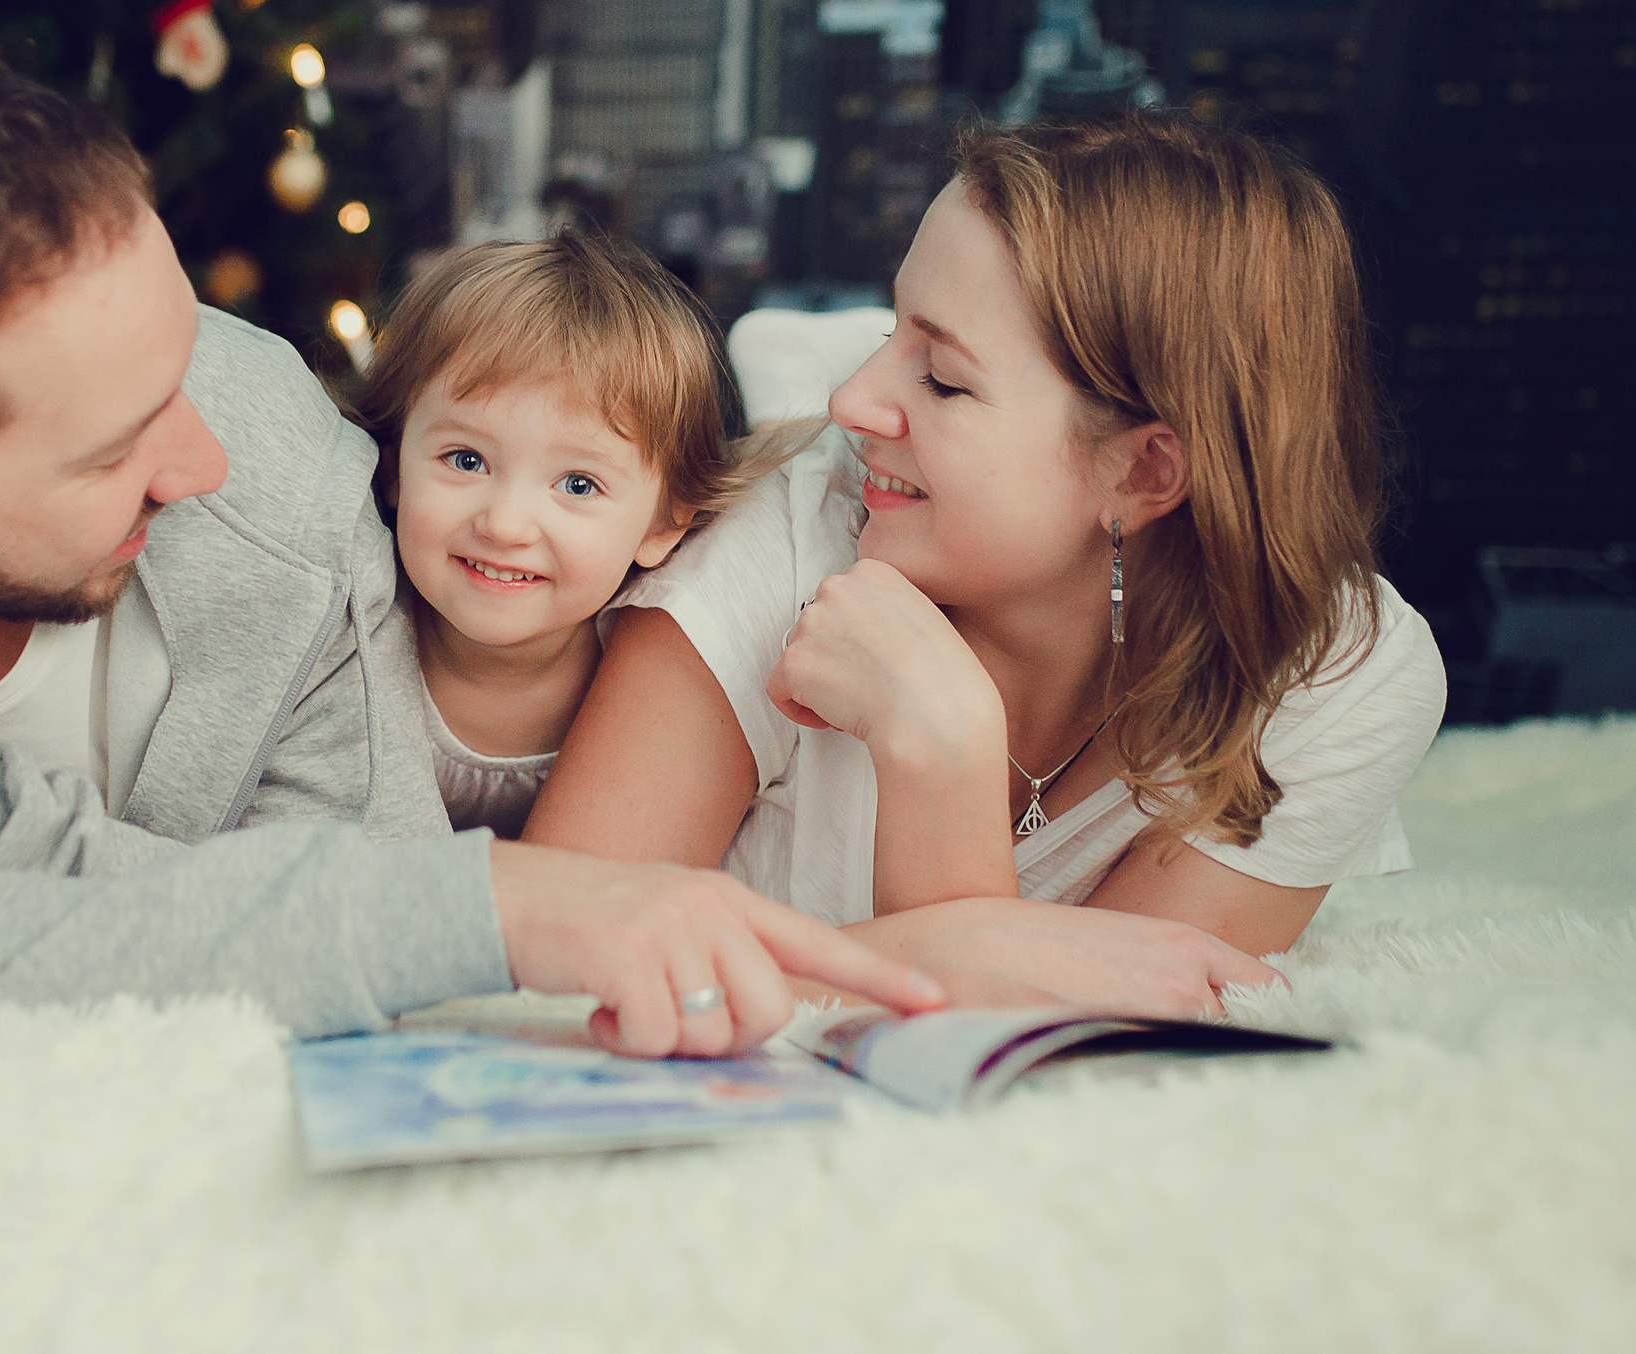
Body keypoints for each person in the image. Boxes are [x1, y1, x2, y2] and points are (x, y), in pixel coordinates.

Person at [0, 30, 943, 1058]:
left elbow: (361, 947)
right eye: (117, 445)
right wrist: (493, 907)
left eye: (182, 370)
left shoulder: (283, 466)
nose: (205, 455)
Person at [525, 112, 1445, 1010]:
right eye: (892, 336)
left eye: (943, 379)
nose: (852, 401)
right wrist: (945, 953)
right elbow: (543, 980)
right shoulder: (783, 541)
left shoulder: (1337, 679)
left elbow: (1065, 1060)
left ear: (1144, 470)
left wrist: (944, 755)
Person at [352, 233, 787, 838]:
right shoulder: (349, 639)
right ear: (395, 468)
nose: (504, 525)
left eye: (578, 485)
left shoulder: (651, 686)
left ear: (663, 525)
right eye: (466, 460)